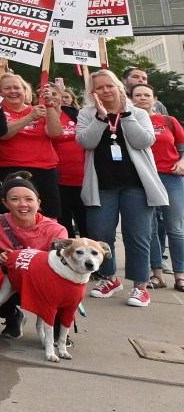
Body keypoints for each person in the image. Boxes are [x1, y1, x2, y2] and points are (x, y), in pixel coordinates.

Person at [79, 70, 166, 307]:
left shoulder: (137, 112)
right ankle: (109, 278)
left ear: (119, 86)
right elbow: (85, 142)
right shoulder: (86, 114)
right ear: (92, 92)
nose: (106, 91)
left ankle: (140, 286)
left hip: (136, 185)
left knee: (137, 235)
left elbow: (144, 141)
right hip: (103, 185)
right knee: (100, 234)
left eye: (110, 86)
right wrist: (100, 117)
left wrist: (125, 114)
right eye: (99, 88)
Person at [0, 174, 68, 337]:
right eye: (15, 199)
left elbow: (63, 268)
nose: (23, 204)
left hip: (41, 285)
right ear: (5, 202)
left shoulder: (56, 230)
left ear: (38, 203)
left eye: (29, 199)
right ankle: (13, 316)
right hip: (7, 280)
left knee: (67, 287)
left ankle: (59, 331)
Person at [0, 75, 64, 219]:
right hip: (6, 170)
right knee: (8, 218)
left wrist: (49, 105)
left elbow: (55, 133)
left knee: (48, 218)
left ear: (24, 90)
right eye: (7, 88)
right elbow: (3, 134)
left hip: (43, 171)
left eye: (16, 87)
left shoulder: (38, 109)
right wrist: (29, 117)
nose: (13, 91)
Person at [130, 84, 184, 291]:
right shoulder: (128, 120)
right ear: (130, 98)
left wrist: (181, 163)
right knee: (149, 230)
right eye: (138, 95)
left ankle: (180, 275)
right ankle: (156, 274)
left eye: (147, 95)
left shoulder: (168, 121)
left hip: (171, 177)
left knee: (176, 228)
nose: (142, 98)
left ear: (154, 99)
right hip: (142, 179)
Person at [54, 94, 89, 237]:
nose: (55, 98)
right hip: (59, 179)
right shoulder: (40, 116)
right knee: (64, 224)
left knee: (86, 223)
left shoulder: (74, 114)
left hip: (83, 176)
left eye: (56, 93)